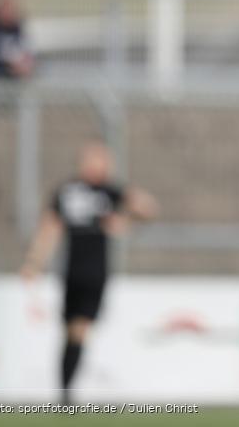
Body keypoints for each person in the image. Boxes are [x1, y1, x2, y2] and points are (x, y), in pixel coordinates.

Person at [21, 142, 157, 402]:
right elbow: (50, 228)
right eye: (91, 158)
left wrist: (125, 220)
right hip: (72, 271)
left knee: (80, 328)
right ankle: (64, 390)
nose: (96, 164)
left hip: (96, 272)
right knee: (70, 330)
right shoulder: (66, 191)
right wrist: (34, 262)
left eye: (101, 159)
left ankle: (66, 393)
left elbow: (148, 209)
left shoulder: (110, 191)